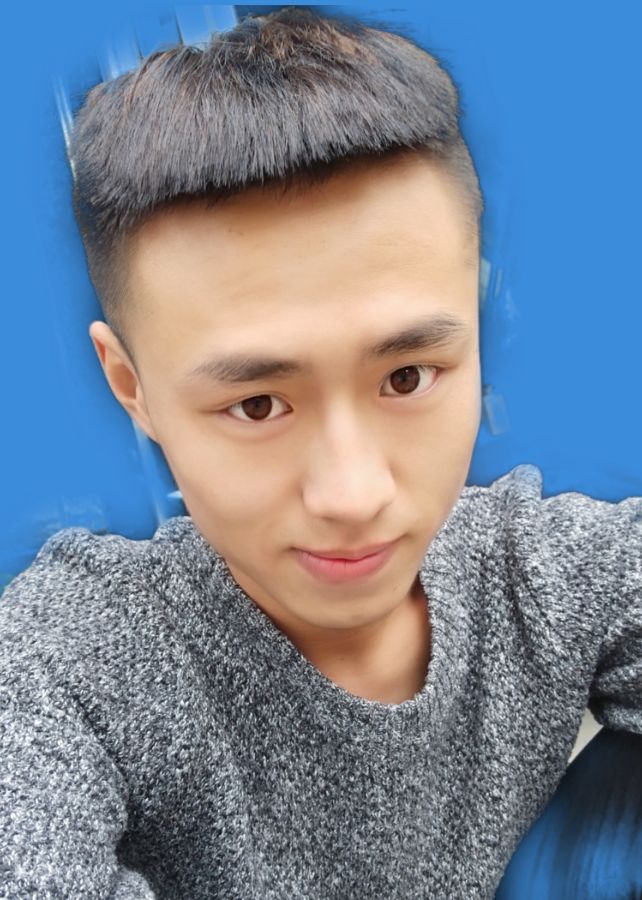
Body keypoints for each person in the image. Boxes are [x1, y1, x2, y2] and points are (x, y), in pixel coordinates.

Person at [0, 6, 640, 898]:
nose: (353, 493)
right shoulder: (72, 660)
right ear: (131, 385)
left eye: (407, 378)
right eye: (257, 404)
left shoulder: (542, 579)